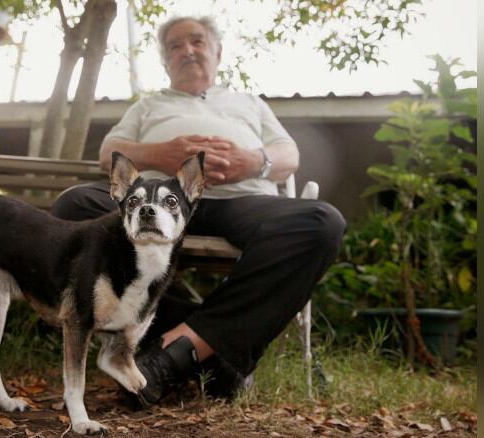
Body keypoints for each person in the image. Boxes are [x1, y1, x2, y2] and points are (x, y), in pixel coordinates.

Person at [52, 15, 346, 404]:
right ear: (165, 62)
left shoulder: (248, 103)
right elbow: (110, 154)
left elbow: (288, 155)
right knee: (73, 206)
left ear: (217, 52)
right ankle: (204, 349)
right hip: (159, 203)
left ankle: (174, 352)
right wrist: (160, 154)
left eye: (197, 41)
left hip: (240, 201)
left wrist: (252, 162)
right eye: (175, 46)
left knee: (321, 223)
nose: (187, 50)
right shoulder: (149, 105)